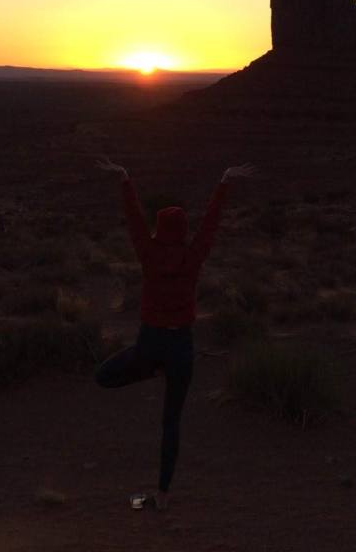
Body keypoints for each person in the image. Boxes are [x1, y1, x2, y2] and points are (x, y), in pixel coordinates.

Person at [94, 157, 255, 510]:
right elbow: (210, 225)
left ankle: (152, 370)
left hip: (150, 343)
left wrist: (125, 180)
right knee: (171, 422)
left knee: (103, 376)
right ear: (182, 231)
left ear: (160, 228)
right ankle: (163, 496)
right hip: (181, 346)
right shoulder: (193, 255)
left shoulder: (148, 252)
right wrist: (224, 182)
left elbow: (134, 221)